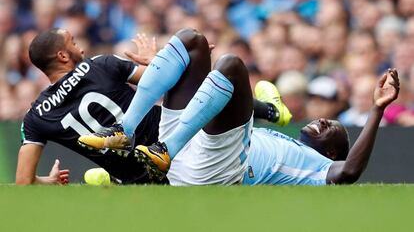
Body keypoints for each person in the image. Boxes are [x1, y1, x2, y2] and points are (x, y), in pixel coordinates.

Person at [80, 28, 399, 185]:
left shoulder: (317, 168)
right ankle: (127, 130)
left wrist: (377, 109)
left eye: (334, 130)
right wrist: (171, 68)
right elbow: (221, 107)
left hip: (216, 167)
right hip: (188, 149)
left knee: (231, 65)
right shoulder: (277, 139)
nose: (327, 121)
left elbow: (352, 170)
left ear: (332, 153)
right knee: (193, 42)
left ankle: (160, 154)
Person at [17, 28, 289, 185]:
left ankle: (114, 168)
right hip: (178, 142)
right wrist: (159, 60)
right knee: (198, 61)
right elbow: (164, 82)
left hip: (145, 180)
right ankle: (270, 111)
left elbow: (23, 181)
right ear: (63, 56)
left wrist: (48, 181)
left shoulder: (35, 116)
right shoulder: (99, 65)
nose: (81, 50)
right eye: (74, 44)